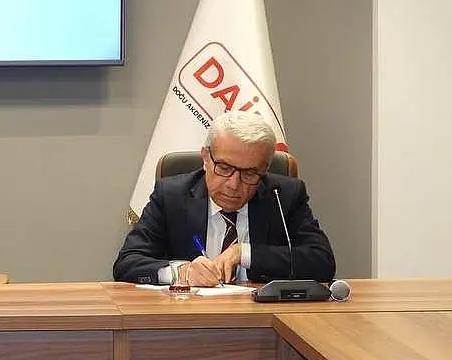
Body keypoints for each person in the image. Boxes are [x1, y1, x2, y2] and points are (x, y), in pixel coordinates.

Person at [113, 112, 335, 287]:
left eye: (250, 173)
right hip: (186, 319)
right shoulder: (172, 195)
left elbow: (322, 263)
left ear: (265, 169)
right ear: (205, 158)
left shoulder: (283, 196)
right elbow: (127, 264)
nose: (233, 184)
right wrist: (182, 272)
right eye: (224, 168)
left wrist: (244, 252)